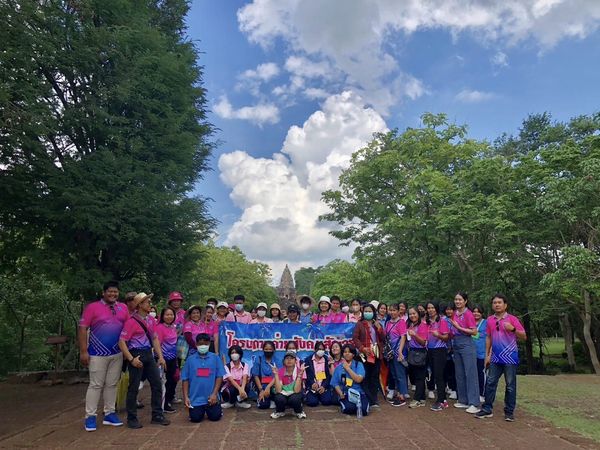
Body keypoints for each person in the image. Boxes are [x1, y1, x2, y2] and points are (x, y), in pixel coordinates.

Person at [79, 281, 129, 432]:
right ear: (104, 293)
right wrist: (83, 351)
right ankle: (90, 416)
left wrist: (127, 351)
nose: (113, 294)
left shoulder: (123, 307)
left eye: (115, 292)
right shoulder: (92, 307)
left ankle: (109, 413)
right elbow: (82, 328)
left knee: (112, 384)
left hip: (117, 353)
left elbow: (128, 328)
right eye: (110, 291)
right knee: (95, 385)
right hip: (96, 353)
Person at [118, 292, 170, 428]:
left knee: (157, 384)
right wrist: (131, 359)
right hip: (136, 354)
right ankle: (132, 418)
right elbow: (122, 342)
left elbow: (155, 338)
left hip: (148, 353)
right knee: (134, 387)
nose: (150, 304)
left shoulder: (151, 320)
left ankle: (157, 415)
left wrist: (160, 357)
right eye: (147, 302)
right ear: (140, 305)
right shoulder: (131, 322)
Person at [476, 294, 526, 422]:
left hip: (510, 358)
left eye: (499, 302)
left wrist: (513, 329)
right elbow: (488, 337)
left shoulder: (512, 319)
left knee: (510, 385)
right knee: (490, 383)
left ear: (505, 305)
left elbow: (524, 336)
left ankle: (509, 412)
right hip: (495, 358)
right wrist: (487, 355)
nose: (497, 305)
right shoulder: (490, 320)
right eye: (494, 303)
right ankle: (487, 409)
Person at [182, 333, 225, 423]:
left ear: (209, 344)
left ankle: (217, 407)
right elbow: (185, 379)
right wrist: (186, 397)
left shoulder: (215, 358)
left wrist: (214, 394)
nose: (203, 346)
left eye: (206, 344)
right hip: (195, 399)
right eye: (200, 344)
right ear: (196, 344)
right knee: (195, 418)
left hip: (211, 398)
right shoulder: (190, 360)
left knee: (215, 417)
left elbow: (219, 376)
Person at [450, 292, 480, 414]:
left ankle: (474, 403)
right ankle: (463, 400)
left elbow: (474, 332)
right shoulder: (455, 313)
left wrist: (458, 327)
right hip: (456, 343)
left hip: (467, 343)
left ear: (465, 301)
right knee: (460, 373)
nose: (457, 302)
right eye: (456, 299)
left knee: (470, 373)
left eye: (460, 299)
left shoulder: (468, 314)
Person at [352, 303, 384, 408]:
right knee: (365, 376)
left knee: (374, 377)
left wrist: (379, 329)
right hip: (364, 355)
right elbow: (355, 338)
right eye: (366, 311)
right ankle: (367, 398)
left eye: (370, 311)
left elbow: (383, 338)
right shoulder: (359, 324)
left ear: (374, 312)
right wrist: (362, 348)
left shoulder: (377, 324)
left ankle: (374, 399)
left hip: (376, 354)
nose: (368, 313)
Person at [331, 344, 370, 416]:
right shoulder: (339, 367)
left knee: (364, 410)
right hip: (346, 394)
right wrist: (340, 393)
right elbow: (335, 383)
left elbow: (358, 380)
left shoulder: (359, 365)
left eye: (349, 352)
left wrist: (348, 369)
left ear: (353, 354)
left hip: (359, 393)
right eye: (345, 352)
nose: (347, 354)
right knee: (349, 409)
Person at [425, 302, 450, 411]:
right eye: (428, 308)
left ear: (436, 309)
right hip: (430, 350)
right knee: (435, 374)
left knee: (439, 375)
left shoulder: (442, 321)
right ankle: (442, 399)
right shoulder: (427, 321)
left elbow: (446, 337)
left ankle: (441, 401)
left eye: (432, 308)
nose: (430, 310)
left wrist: (438, 335)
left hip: (439, 350)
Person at [155, 306, 178, 413]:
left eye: (171, 314)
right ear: (162, 316)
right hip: (163, 359)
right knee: (163, 383)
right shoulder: (159, 328)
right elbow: (157, 344)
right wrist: (160, 358)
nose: (169, 317)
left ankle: (167, 401)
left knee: (171, 380)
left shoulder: (173, 327)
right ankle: (162, 405)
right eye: (167, 314)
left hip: (173, 358)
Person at [270, 351, 307, 419]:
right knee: (278, 398)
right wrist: (276, 374)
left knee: (295, 398)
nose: (289, 360)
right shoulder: (280, 371)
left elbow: (296, 390)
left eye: (291, 358)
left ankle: (298, 411)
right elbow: (278, 390)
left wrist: (299, 375)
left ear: (295, 361)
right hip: (283, 394)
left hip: (294, 394)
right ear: (284, 361)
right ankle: (279, 411)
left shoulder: (299, 371)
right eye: (287, 358)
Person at [385, 303, 408, 407]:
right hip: (390, 353)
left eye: (394, 310)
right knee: (394, 374)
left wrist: (400, 351)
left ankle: (402, 396)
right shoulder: (388, 323)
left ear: (399, 311)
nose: (392, 312)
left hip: (398, 352)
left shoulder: (401, 322)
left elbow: (403, 337)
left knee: (400, 374)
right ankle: (398, 393)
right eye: (391, 310)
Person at [406, 306, 428, 408]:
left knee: (420, 377)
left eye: (414, 313)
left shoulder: (422, 325)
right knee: (416, 376)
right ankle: (422, 398)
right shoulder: (410, 324)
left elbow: (423, 342)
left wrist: (414, 334)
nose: (412, 316)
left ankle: (417, 399)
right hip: (412, 352)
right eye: (410, 314)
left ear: (418, 314)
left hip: (420, 352)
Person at [221, 345, 252, 409]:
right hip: (230, 386)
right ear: (230, 355)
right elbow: (231, 380)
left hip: (241, 386)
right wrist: (240, 389)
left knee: (247, 386)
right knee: (232, 389)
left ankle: (240, 402)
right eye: (232, 353)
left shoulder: (245, 365)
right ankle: (231, 402)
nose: (234, 354)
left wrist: (242, 389)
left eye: (236, 352)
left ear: (240, 354)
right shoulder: (227, 366)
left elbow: (245, 378)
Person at [304, 341, 333, 406]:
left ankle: (321, 396)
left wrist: (323, 386)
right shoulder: (308, 360)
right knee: (312, 403)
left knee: (327, 402)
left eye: (322, 349)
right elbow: (307, 375)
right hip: (312, 387)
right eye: (319, 349)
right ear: (315, 350)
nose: (321, 351)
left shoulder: (327, 360)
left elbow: (328, 376)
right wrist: (312, 383)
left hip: (324, 387)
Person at [252, 341, 277, 409]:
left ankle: (272, 399)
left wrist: (268, 387)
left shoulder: (277, 360)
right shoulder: (259, 359)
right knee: (263, 406)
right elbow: (255, 376)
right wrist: (261, 390)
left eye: (270, 349)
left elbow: (277, 376)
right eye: (266, 349)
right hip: (261, 385)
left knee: (279, 401)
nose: (268, 351)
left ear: (274, 350)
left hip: (273, 385)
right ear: (263, 350)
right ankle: (262, 399)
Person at [472, 304, 488, 402]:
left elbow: (487, 336)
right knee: (472, 374)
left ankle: (481, 393)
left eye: (478, 311)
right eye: (474, 311)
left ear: (482, 313)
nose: (476, 313)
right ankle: (473, 393)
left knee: (481, 374)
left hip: (481, 353)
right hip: (470, 353)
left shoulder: (486, 323)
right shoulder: (469, 322)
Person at [442, 303, 457, 399]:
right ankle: (448, 386)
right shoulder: (443, 320)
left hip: (456, 348)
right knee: (446, 369)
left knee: (454, 370)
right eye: (447, 309)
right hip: (445, 348)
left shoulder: (457, 319)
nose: (449, 311)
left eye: (451, 309)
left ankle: (454, 389)